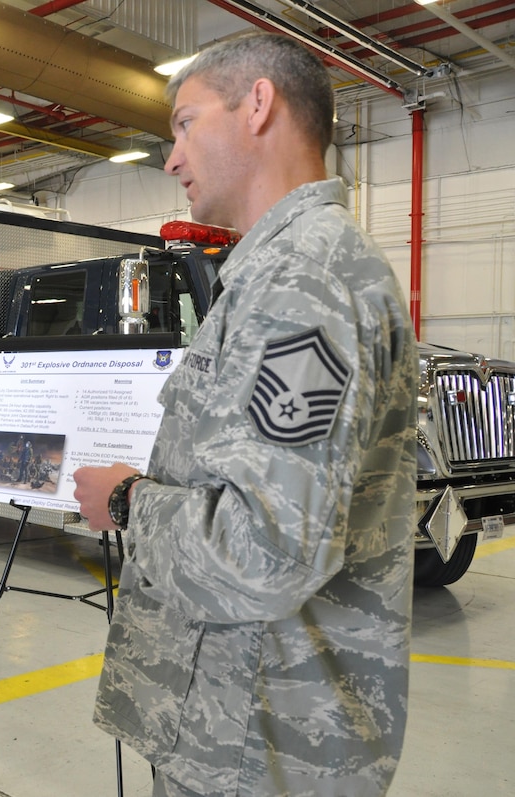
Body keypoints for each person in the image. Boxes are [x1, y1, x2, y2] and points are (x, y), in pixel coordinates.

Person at [73, 33, 417, 797]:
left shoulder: (308, 279)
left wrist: (128, 500)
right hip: (235, 731)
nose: (171, 157)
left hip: (262, 752)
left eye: (186, 123)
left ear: (258, 104)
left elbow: (265, 552)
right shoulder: (276, 273)